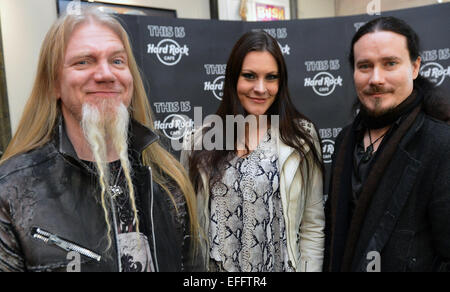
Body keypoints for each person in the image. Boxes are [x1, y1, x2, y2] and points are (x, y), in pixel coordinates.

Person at [0, 9, 199, 272]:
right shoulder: (13, 191)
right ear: (54, 84)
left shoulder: (166, 180)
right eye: (84, 61)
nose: (106, 74)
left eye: (117, 61)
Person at [181, 31, 325, 272]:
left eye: (271, 77)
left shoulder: (302, 138)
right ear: (232, 79)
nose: (260, 88)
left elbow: (312, 225)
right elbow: (189, 230)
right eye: (249, 76)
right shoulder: (198, 142)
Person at [324, 17, 450, 272]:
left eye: (390, 63)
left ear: (415, 68)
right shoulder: (345, 140)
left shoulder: (440, 143)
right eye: (365, 66)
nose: (376, 78)